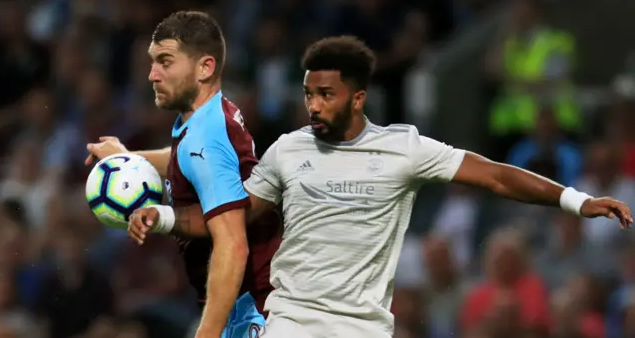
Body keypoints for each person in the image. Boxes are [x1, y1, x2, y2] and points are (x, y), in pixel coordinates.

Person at [110, 36, 630, 338]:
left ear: (358, 98)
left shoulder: (404, 149)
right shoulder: (289, 150)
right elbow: (235, 218)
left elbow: (494, 173)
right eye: (309, 93)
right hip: (292, 321)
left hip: (363, 328)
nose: (313, 105)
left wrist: (576, 200)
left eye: (326, 95)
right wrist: (169, 217)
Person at [85, 11, 280, 338]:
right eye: (152, 62)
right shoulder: (206, 119)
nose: (152, 75)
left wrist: (208, 332)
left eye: (165, 61)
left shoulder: (207, 139)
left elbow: (232, 245)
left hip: (256, 308)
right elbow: (181, 160)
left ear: (205, 67)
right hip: (254, 303)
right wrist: (127, 156)